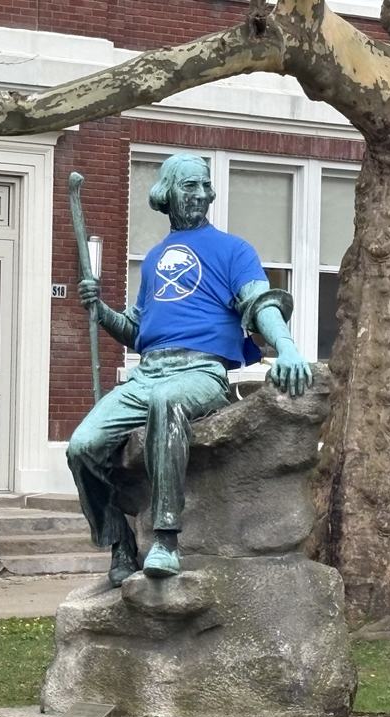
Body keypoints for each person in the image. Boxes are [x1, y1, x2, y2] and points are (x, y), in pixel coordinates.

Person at [69, 153, 312, 587]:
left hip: (201, 373)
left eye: (204, 186)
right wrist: (100, 310)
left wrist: (288, 347)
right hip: (147, 373)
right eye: (189, 186)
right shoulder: (156, 259)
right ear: (166, 194)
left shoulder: (233, 250)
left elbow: (262, 303)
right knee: (82, 445)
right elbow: (139, 331)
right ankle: (119, 540)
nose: (201, 194)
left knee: (167, 403)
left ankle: (166, 538)